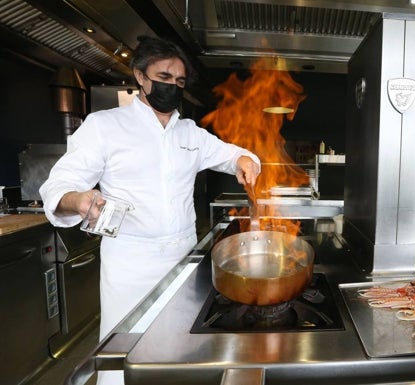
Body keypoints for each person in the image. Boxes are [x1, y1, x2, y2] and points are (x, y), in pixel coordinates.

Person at [39, 36, 261, 385]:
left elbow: (232, 155)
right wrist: (79, 200)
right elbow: (56, 186)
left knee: (180, 357)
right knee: (125, 359)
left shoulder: (190, 132)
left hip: (183, 261)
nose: (171, 86)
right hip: (131, 264)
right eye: (164, 77)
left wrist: (245, 159)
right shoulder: (105, 126)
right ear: (140, 76)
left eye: (179, 81)